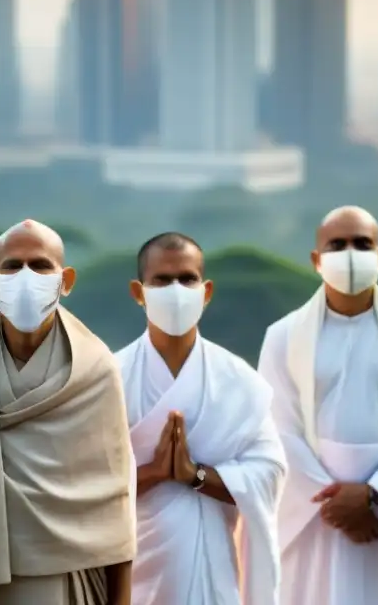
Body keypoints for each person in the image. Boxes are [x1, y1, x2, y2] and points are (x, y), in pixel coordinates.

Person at [0, 219, 136, 605]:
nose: (26, 276)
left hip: (68, 582)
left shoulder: (96, 372)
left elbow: (114, 506)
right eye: (13, 266)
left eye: (41, 265)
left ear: (66, 280)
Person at [257, 205, 378, 605]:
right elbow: (278, 430)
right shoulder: (282, 336)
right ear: (316, 259)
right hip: (312, 517)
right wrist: (336, 504)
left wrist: (371, 496)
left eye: (362, 244)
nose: (349, 254)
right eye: (336, 244)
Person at [115, 232, 286, 605]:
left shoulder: (240, 381)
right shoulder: (110, 379)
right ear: (138, 291)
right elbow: (85, 484)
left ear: (206, 291)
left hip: (212, 567)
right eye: (162, 279)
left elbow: (270, 473)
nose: (176, 290)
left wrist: (195, 476)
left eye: (187, 279)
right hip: (129, 570)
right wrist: (155, 473)